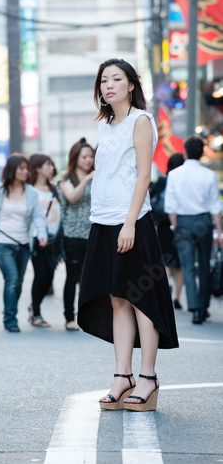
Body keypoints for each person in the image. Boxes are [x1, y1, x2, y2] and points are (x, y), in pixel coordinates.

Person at [78, 58, 178, 412]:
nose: (109, 85)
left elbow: (143, 176)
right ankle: (123, 375)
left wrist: (131, 222)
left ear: (131, 85)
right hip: (103, 221)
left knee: (140, 298)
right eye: (104, 80)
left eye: (116, 79)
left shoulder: (141, 120)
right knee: (117, 298)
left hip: (131, 220)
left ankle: (147, 377)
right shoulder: (107, 124)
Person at [0, 153, 48, 333]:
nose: (25, 171)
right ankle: (10, 319)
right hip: (2, 243)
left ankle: (9, 311)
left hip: (23, 244)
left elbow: (38, 216)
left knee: (18, 282)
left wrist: (42, 233)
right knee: (13, 280)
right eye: (22, 168)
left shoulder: (30, 192)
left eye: (26, 169)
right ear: (12, 169)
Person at [165, 137, 222, 324]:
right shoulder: (208, 175)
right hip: (204, 221)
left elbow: (170, 205)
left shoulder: (175, 175)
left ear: (185, 152)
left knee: (188, 267)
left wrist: (175, 226)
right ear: (203, 152)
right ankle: (204, 308)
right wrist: (219, 232)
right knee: (204, 265)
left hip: (183, 222)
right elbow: (215, 206)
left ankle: (195, 308)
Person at [58, 138, 95, 331]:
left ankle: (88, 316)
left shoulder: (99, 176)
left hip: (93, 234)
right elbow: (72, 197)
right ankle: (69, 316)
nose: (89, 160)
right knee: (72, 276)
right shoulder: (66, 180)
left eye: (91, 156)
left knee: (90, 277)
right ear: (75, 158)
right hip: (72, 234)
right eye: (84, 156)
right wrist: (87, 179)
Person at [28, 153, 61, 328]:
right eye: (47, 165)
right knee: (40, 274)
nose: (51, 168)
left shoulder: (55, 189)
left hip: (54, 241)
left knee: (49, 276)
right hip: (36, 239)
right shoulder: (30, 190)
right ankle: (36, 313)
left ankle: (34, 306)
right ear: (38, 169)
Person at [150, 153, 185, 309]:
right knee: (180, 263)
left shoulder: (163, 180)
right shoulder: (184, 181)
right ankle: (177, 296)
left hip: (164, 225)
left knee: (164, 261)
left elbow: (151, 197)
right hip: (181, 223)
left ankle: (167, 290)